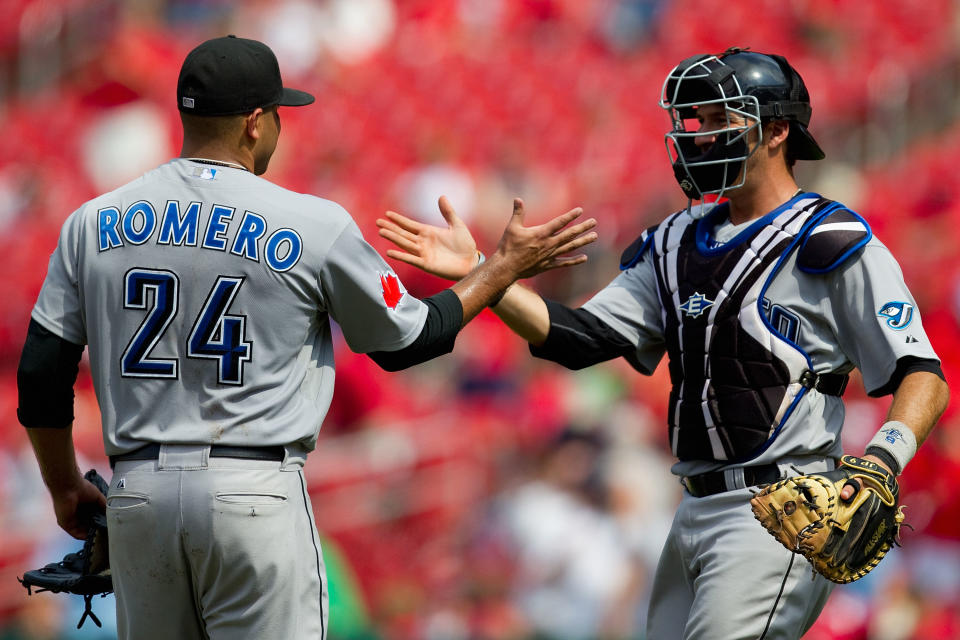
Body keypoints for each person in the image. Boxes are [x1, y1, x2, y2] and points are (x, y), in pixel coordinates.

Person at [16, 35, 597, 640]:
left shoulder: (91, 222)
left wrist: (64, 486)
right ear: (253, 123)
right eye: (277, 116)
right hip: (254, 492)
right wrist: (496, 269)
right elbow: (410, 342)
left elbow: (40, 372)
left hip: (139, 496)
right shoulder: (311, 222)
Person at [377, 48, 950, 639]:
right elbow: (582, 338)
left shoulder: (830, 239)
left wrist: (882, 461)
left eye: (720, 119)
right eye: (692, 121)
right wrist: (483, 272)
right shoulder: (674, 239)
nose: (698, 137)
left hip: (780, 511)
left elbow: (923, 375)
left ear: (778, 130)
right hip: (692, 509)